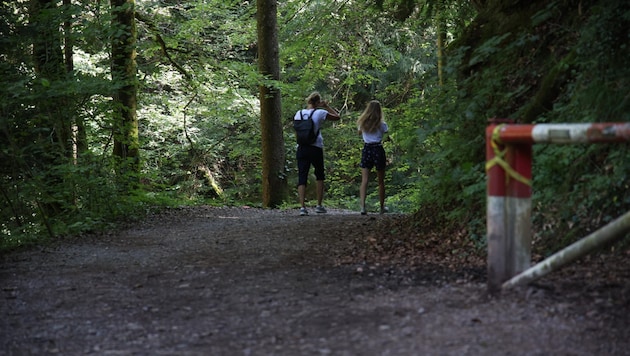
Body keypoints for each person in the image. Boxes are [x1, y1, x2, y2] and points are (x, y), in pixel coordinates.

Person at [295, 92, 340, 216]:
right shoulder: (320, 113)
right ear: (318, 102)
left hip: (301, 147)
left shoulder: (298, 114)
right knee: (320, 175)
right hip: (315, 147)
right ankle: (319, 205)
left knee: (302, 176)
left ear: (308, 101)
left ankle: (302, 207)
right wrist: (325, 106)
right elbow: (337, 117)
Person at [357, 100, 388, 215]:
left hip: (367, 149)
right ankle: (381, 207)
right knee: (380, 181)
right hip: (378, 149)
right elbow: (385, 133)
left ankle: (362, 207)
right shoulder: (382, 125)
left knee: (364, 180)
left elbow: (359, 133)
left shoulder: (362, 123)